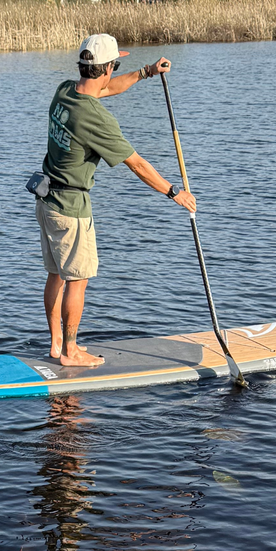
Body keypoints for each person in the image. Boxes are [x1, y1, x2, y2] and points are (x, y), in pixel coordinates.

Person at [37, 33, 197, 368]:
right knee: (77, 281)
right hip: (72, 210)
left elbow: (107, 89)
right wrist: (174, 193)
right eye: (115, 65)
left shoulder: (65, 91)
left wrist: (146, 72)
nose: (114, 73)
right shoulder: (96, 119)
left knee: (56, 275)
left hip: (47, 201)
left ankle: (56, 344)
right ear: (107, 68)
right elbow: (137, 164)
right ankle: (71, 352)